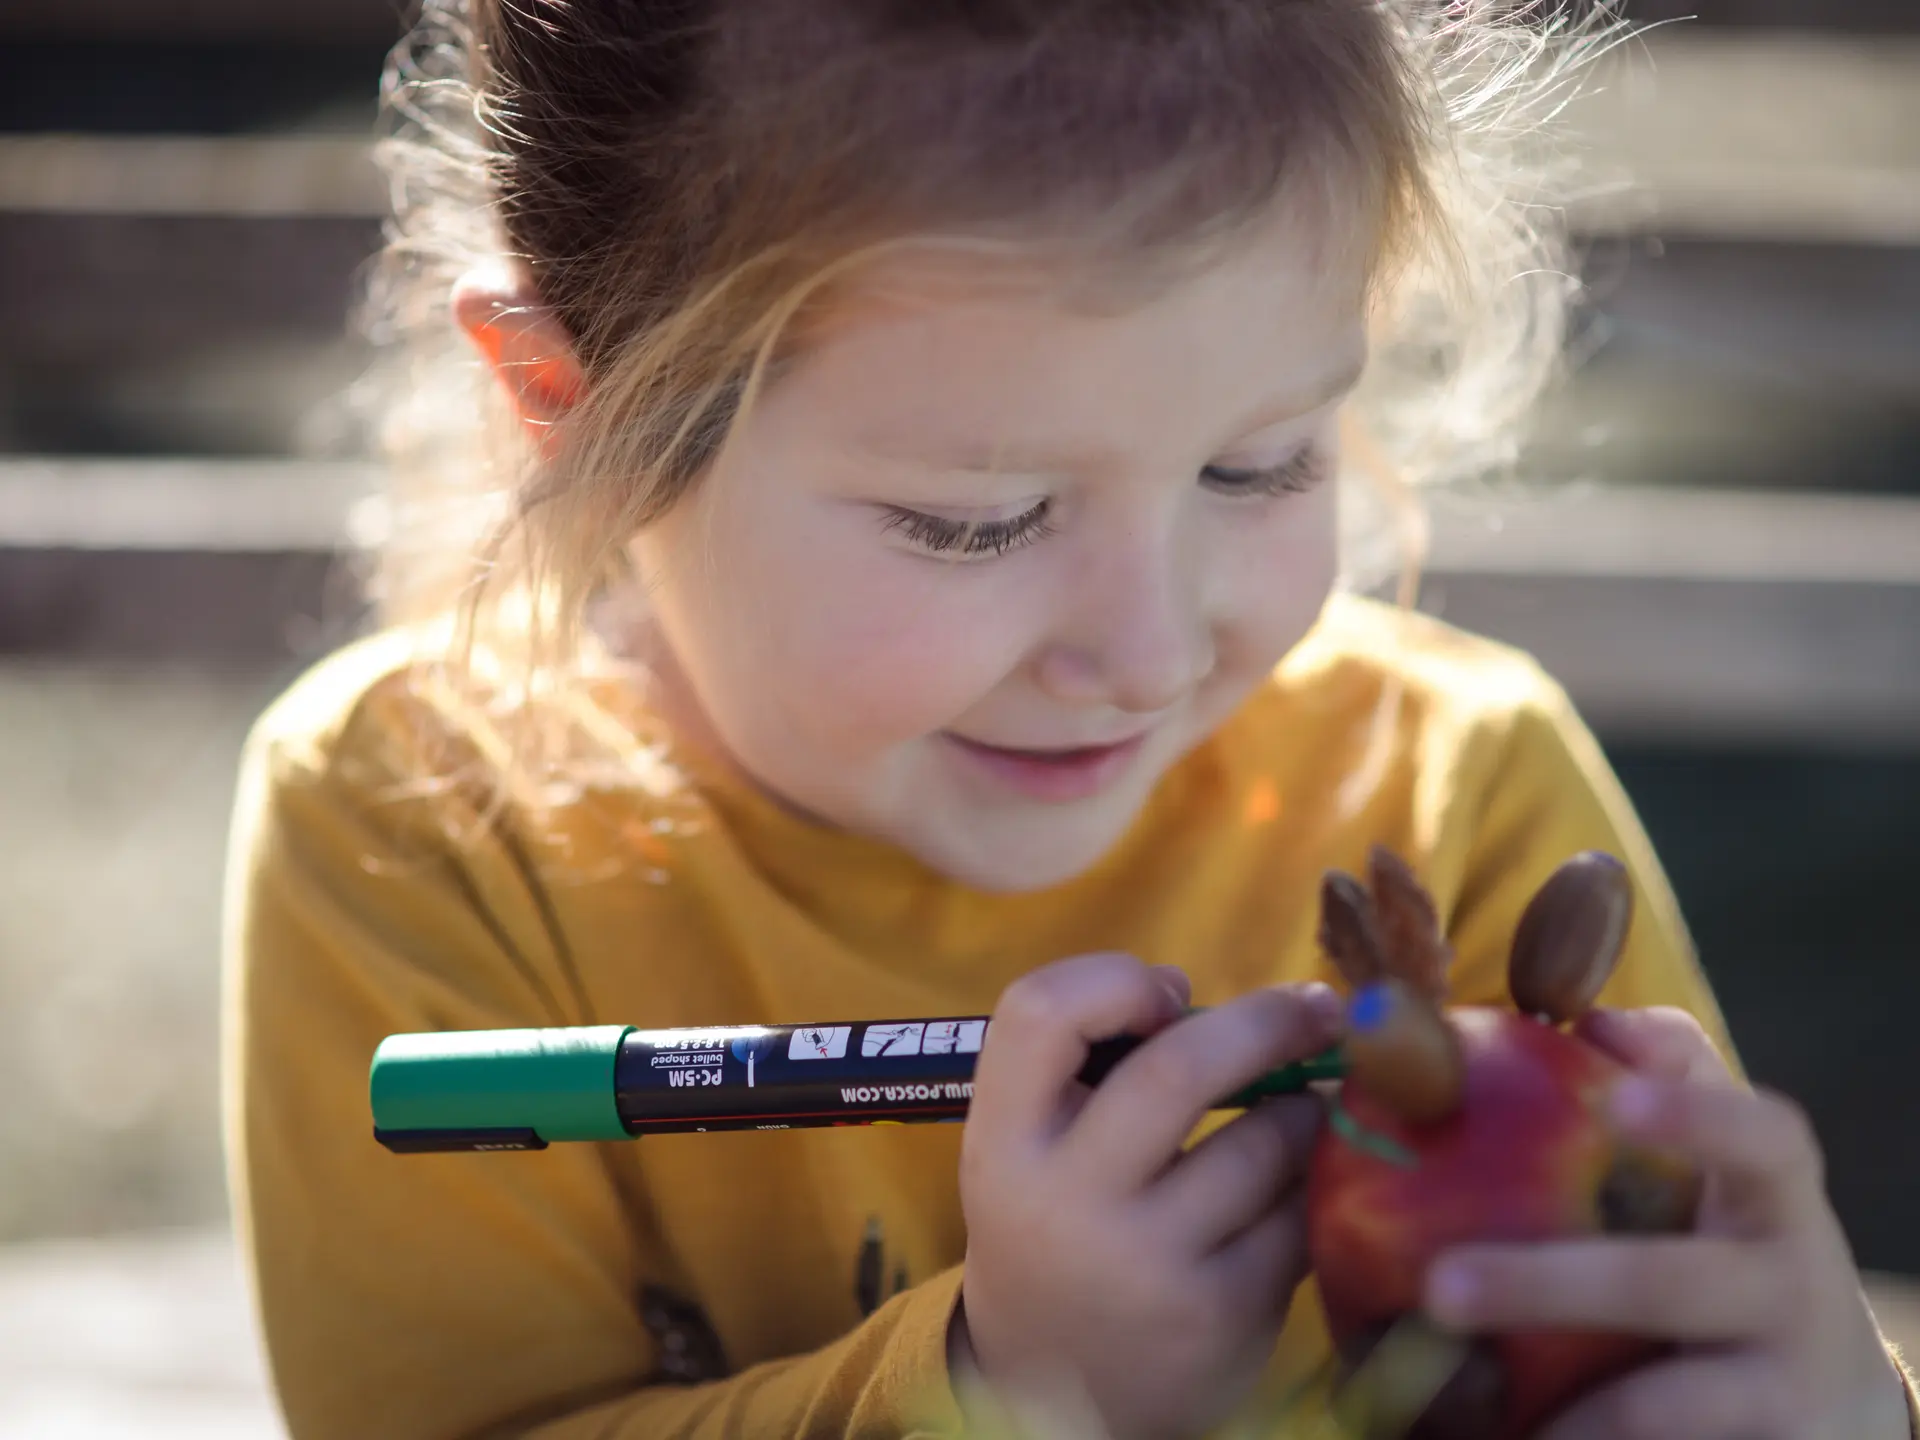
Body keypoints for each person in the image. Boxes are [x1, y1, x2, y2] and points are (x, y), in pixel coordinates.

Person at [220, 2, 1918, 1437]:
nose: (1147, 650)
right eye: (978, 520)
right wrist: (994, 1388)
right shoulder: (419, 833)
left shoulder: (1455, 797)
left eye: (1261, 466)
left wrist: (1820, 1392)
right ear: (570, 413)